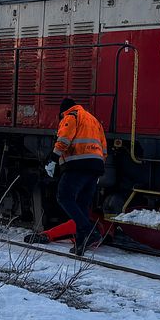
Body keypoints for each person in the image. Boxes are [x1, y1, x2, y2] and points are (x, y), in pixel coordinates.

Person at [44, 98, 107, 255]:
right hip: (96, 166)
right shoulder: (93, 120)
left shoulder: (71, 116)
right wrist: (99, 168)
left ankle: (89, 231)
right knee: (82, 205)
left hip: (78, 164)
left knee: (64, 197)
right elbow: (104, 147)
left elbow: (64, 140)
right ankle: (81, 244)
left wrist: (52, 160)